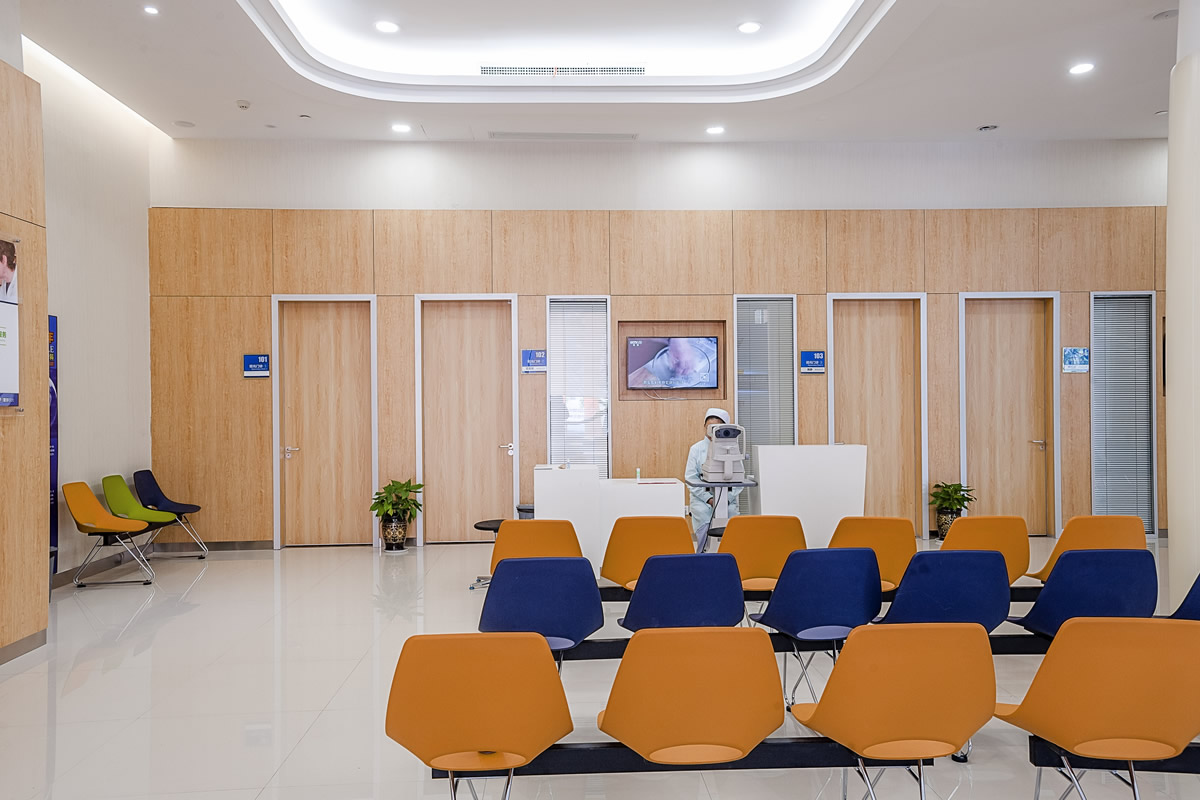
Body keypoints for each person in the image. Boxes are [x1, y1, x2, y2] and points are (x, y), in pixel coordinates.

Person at [685, 408, 742, 543]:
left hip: (728, 500)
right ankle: (703, 555)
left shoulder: (733, 449)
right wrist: (709, 499)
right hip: (702, 502)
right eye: (709, 427)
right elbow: (691, 477)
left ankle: (731, 555)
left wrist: (726, 499)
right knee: (704, 527)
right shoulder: (696, 449)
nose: (711, 431)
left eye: (716, 428)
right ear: (704, 427)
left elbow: (739, 477)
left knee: (731, 530)